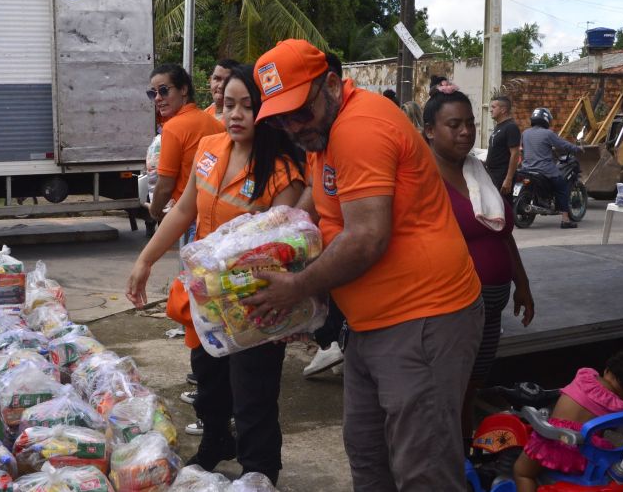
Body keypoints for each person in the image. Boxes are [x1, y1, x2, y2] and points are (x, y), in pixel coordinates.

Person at [244, 39, 485, 492]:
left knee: (423, 467)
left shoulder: (360, 127)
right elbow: (313, 206)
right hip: (371, 323)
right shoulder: (323, 132)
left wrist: (295, 287)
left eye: (300, 111)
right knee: (368, 455)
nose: (293, 126)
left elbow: (366, 237)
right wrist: (265, 238)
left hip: (422, 317)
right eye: (281, 117)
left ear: (331, 85)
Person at [127, 65, 306, 485]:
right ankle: (215, 443)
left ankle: (260, 469)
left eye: (247, 105)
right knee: (208, 381)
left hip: (255, 300)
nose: (236, 114)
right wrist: (145, 260)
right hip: (207, 295)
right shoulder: (210, 147)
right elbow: (185, 210)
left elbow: (288, 248)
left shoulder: (282, 171)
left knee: (253, 394)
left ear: (265, 112)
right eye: (229, 105)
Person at [423, 82, 535, 444]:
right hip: (454, 307)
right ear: (429, 130)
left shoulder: (477, 171)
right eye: (453, 125)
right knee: (449, 389)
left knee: (472, 385)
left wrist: (523, 284)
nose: (466, 132)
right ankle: (447, 460)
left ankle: (462, 458)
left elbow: (501, 233)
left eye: (470, 123)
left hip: (492, 304)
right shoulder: (423, 179)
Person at [513, 349, 623, 492]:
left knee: (522, 473)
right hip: (583, 456)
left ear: (606, 370)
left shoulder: (584, 375)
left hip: (552, 442)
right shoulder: (621, 407)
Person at [148, 63, 224, 222]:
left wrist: (154, 211)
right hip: (214, 211)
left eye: (163, 90)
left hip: (188, 216)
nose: (157, 98)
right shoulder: (214, 123)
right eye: (152, 93)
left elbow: (165, 186)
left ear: (183, 89)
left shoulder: (172, 128)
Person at [519, 107, 582, 229]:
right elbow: (562, 144)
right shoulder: (548, 134)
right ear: (546, 120)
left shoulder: (525, 133)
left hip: (526, 169)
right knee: (562, 187)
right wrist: (577, 148)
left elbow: (525, 149)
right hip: (545, 170)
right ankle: (565, 220)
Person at [485, 95, 522, 195]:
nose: (490, 110)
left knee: (503, 207)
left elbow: (515, 154)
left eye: (493, 107)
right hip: (493, 174)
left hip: (502, 176)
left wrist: (508, 179)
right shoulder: (499, 127)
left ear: (503, 110)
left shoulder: (510, 127)